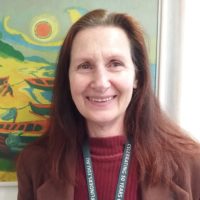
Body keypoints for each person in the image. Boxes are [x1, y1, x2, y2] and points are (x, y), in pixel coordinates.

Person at [17, 9, 200, 200]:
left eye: (115, 63)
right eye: (85, 66)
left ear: (137, 76)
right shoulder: (34, 163)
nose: (101, 83)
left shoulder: (191, 164)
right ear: (68, 79)